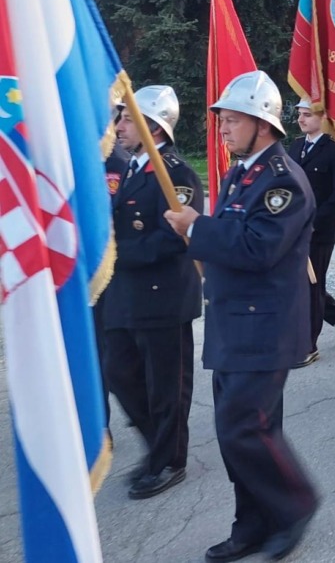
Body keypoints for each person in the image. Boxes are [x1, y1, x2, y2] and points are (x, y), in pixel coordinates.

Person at [165, 71, 319, 562]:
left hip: (265, 328)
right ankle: (252, 523)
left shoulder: (283, 181)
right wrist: (197, 235)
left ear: (263, 124)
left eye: (232, 120)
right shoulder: (242, 172)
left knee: (242, 428)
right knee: (247, 433)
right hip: (234, 324)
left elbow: (259, 248)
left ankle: (295, 506)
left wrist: (199, 228)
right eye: (223, 120)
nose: (223, 129)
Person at [104, 85, 201, 500]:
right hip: (128, 295)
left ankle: (169, 460)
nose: (119, 125)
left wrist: (114, 252)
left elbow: (172, 239)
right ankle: (156, 444)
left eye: (127, 118)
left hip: (163, 296)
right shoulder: (132, 166)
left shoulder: (175, 173)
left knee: (166, 386)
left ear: (153, 126)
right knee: (120, 373)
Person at [288, 98, 335, 367]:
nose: (301, 119)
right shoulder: (295, 147)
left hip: (320, 230)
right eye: (300, 115)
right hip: (293, 229)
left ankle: (308, 345)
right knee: (300, 284)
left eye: (307, 115)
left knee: (311, 285)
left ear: (323, 118)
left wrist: (313, 219)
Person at [93, 141, 130, 437]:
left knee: (104, 352)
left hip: (106, 275)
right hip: (78, 271)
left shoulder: (115, 161)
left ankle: (99, 428)